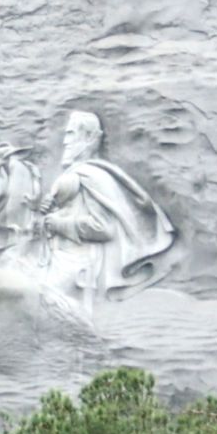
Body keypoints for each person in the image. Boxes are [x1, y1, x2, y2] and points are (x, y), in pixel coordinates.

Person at [39, 111, 175, 307]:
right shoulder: (76, 174)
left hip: (76, 266)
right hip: (56, 258)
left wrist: (59, 224)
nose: (65, 142)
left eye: (71, 134)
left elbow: (103, 228)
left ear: (87, 137)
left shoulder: (91, 176)